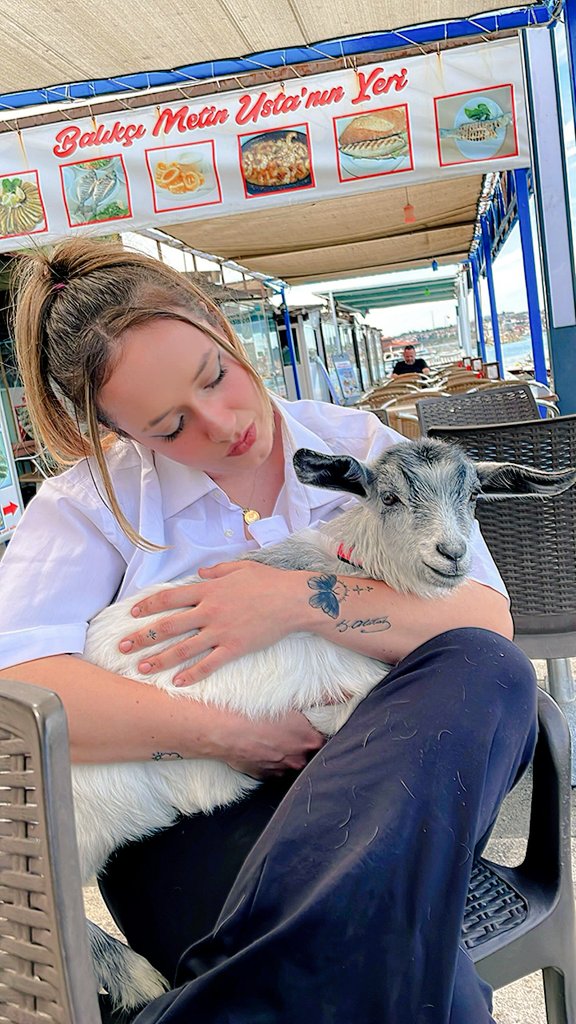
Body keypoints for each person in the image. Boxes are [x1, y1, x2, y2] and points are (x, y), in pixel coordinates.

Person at [0, 238, 537, 1024]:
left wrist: (294, 601)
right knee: (416, 981)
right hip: (194, 822)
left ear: (219, 326)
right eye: (170, 424)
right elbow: (23, 682)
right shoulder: (90, 506)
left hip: (392, 780)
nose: (221, 425)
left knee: (486, 667)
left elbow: (486, 619)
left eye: (216, 376)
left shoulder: (359, 448)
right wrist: (229, 735)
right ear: (114, 427)